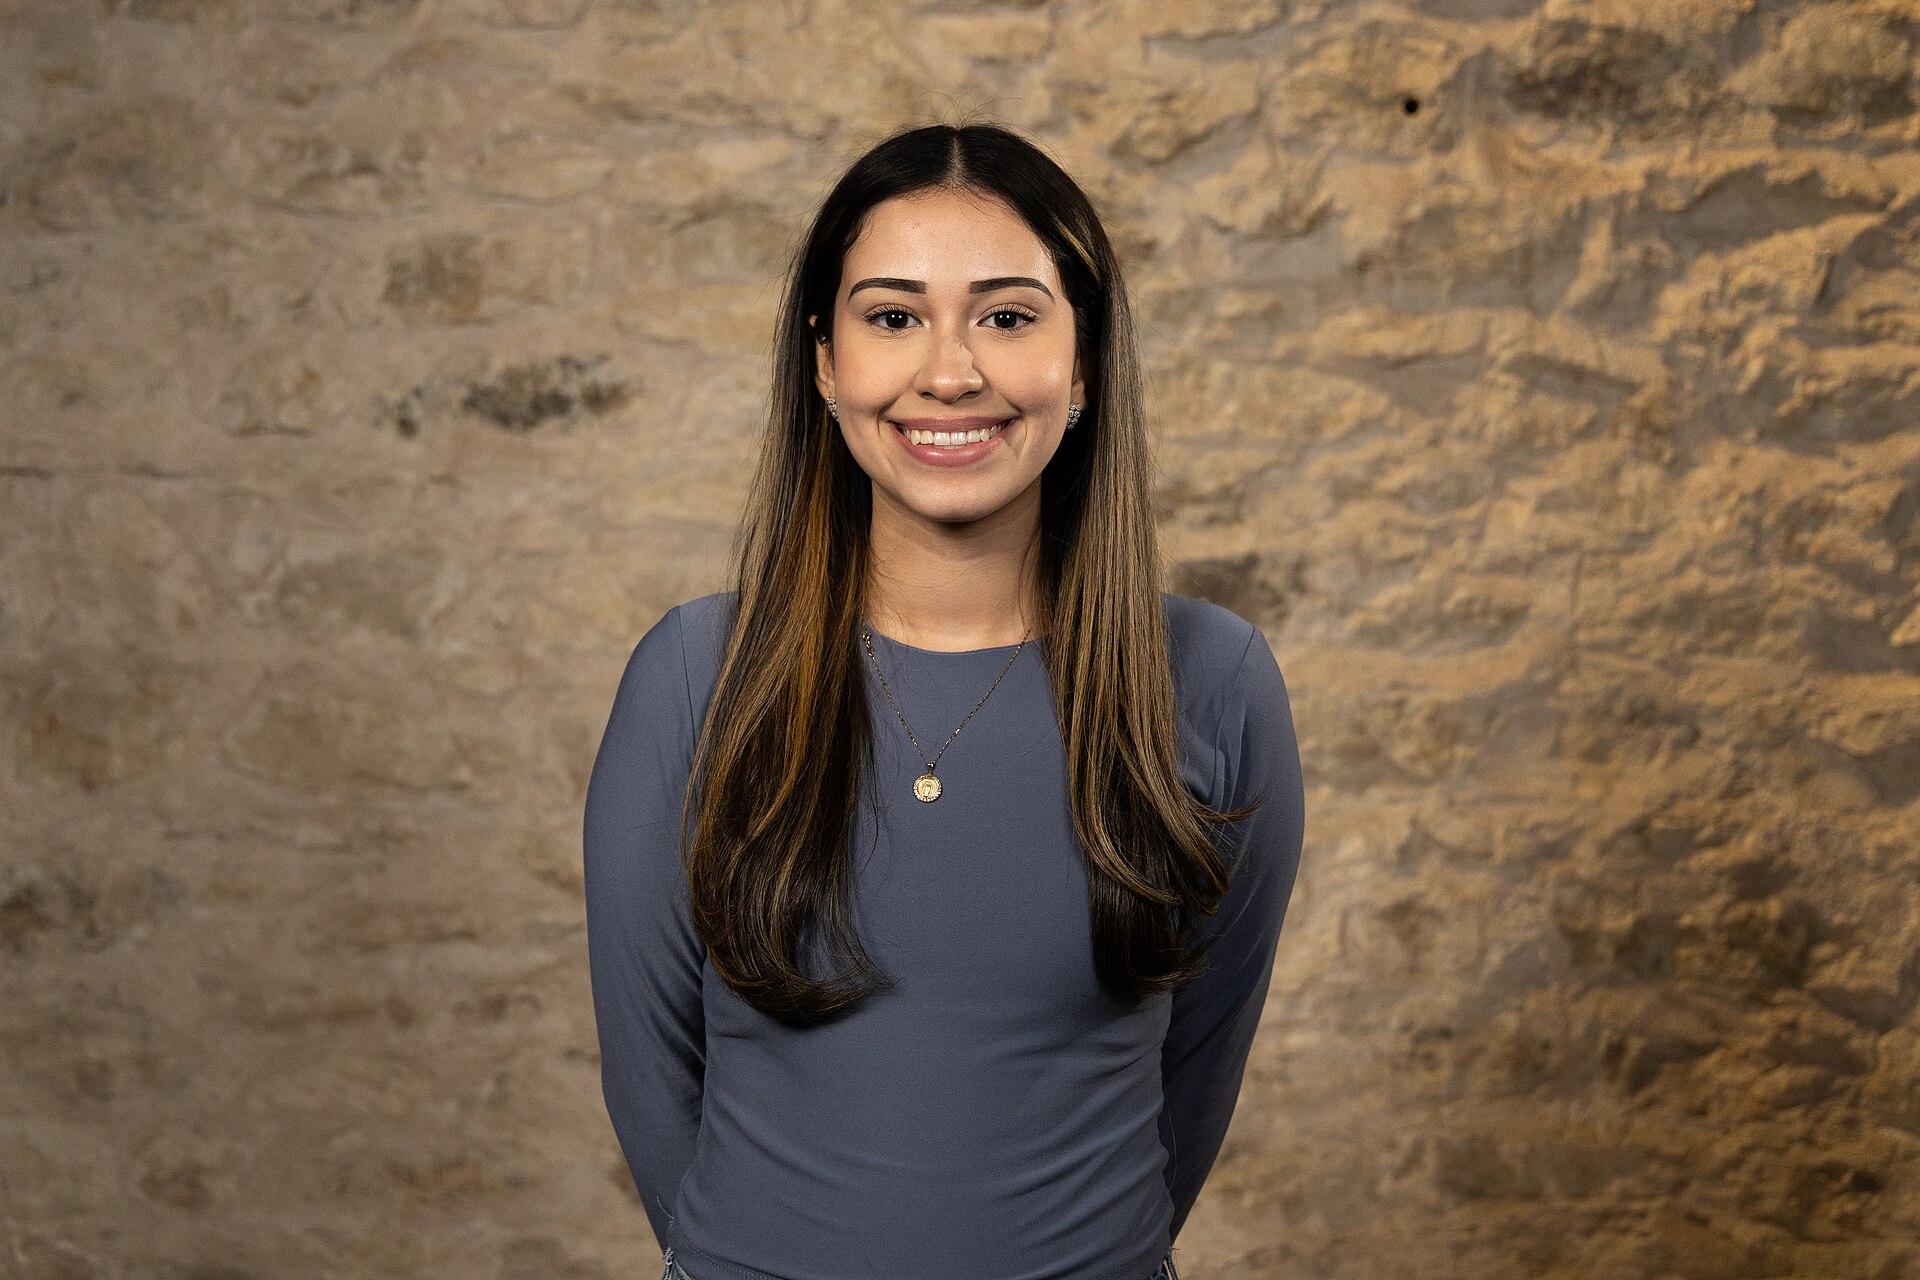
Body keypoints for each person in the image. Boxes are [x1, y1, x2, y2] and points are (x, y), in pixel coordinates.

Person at [583, 120, 1306, 1280]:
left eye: (1009, 315)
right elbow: (652, 1079)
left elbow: (1196, 1078)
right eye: (893, 315)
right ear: (826, 361)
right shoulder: (691, 674)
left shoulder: (1212, 681)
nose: (950, 369)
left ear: (1083, 363)